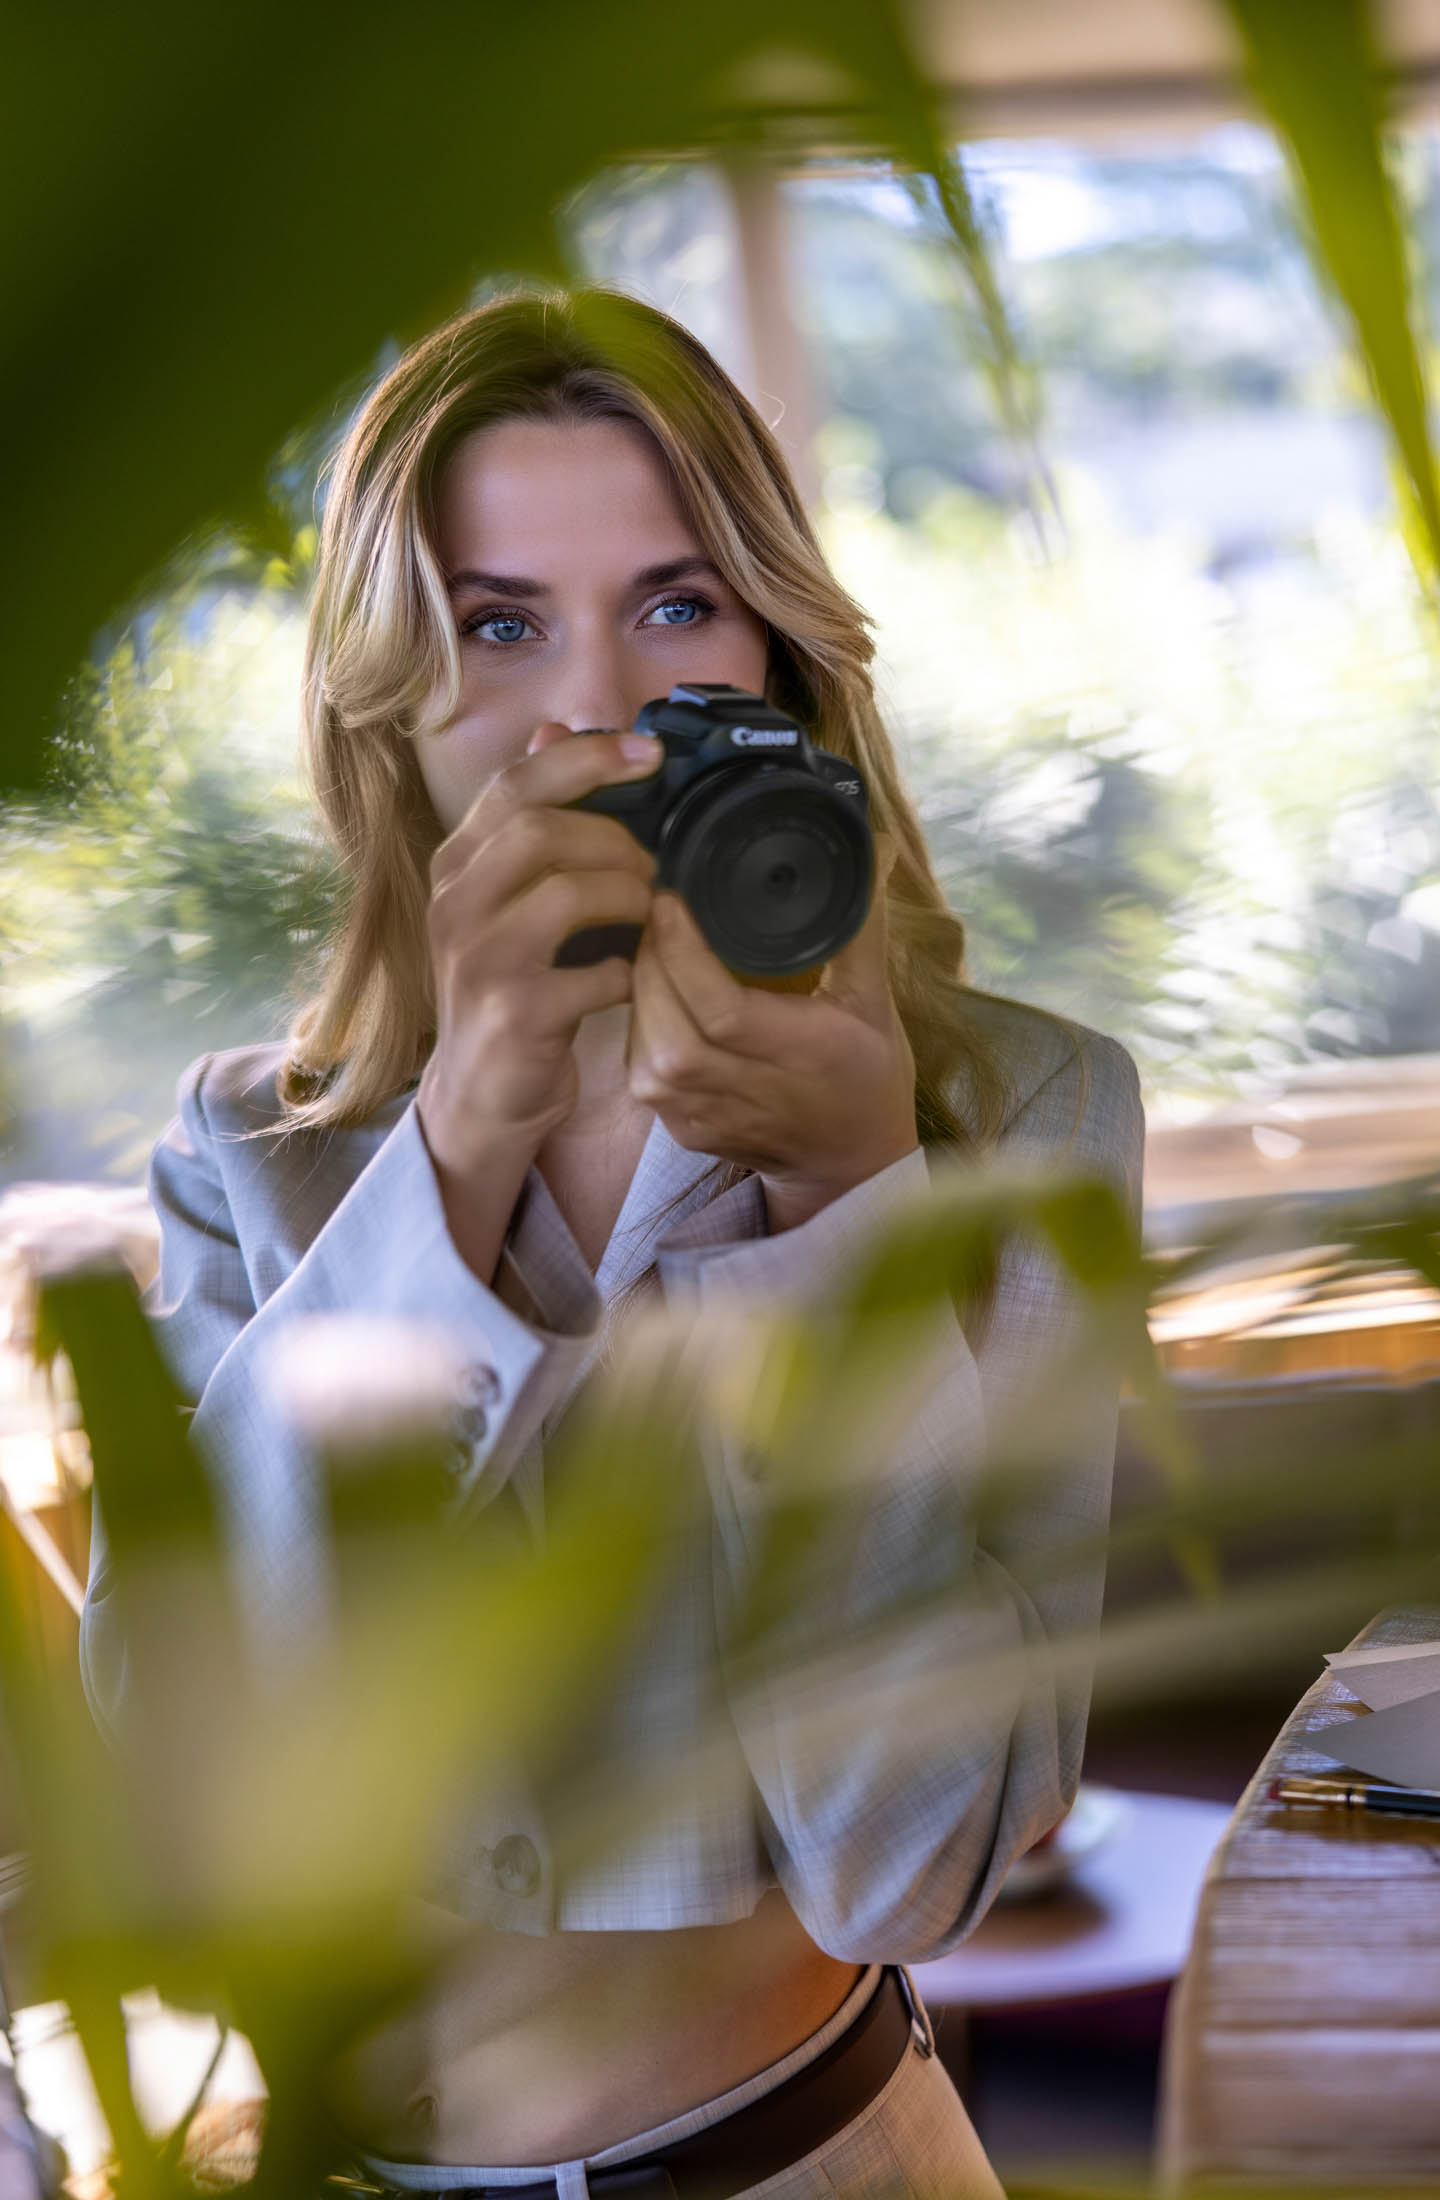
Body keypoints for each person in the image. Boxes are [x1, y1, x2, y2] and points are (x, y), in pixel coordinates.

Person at [81, 288, 1143, 2199]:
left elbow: (916, 1873)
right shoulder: (255, 1152)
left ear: (782, 661)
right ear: (385, 705)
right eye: (497, 622)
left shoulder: (1018, 1120)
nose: (589, 716)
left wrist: (844, 1218)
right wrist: (462, 1142)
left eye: (675, 606)